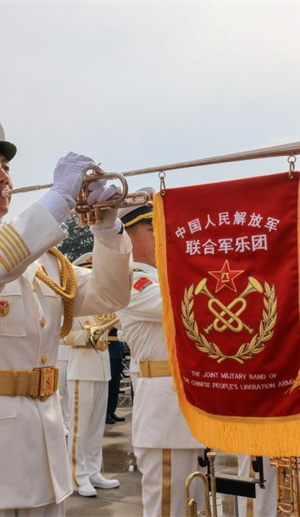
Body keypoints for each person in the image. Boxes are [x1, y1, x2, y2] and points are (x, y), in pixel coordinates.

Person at [0, 104, 132, 516]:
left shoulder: (44, 261)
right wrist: (56, 202)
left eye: (4, 166)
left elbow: (111, 295)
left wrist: (107, 229)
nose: (3, 176)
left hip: (41, 460)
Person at [115, 189, 205, 517]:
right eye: (153, 229)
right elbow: (187, 305)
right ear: (127, 237)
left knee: (194, 504)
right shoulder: (131, 282)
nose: (164, 236)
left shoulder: (161, 279)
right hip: (166, 416)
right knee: (169, 507)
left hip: (187, 409)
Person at [63, 254, 120, 497]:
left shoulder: (102, 306)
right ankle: (78, 475)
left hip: (101, 367)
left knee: (96, 426)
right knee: (80, 428)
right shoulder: (71, 304)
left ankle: (94, 470)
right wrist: (88, 336)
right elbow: (62, 334)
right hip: (82, 367)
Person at [105, 328, 126, 424]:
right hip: (110, 347)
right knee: (109, 383)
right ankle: (105, 413)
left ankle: (111, 410)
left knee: (115, 384)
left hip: (118, 348)